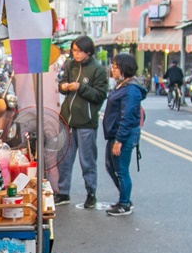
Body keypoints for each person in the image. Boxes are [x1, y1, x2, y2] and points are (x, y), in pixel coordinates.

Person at [55, 35, 109, 208]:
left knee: (87, 160)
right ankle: (63, 193)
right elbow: (62, 83)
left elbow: (100, 95)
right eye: (74, 51)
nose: (75, 54)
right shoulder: (70, 65)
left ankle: (91, 193)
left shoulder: (97, 69)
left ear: (88, 51)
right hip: (67, 120)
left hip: (86, 121)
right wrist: (63, 86)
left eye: (78, 51)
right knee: (63, 159)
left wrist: (81, 87)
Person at [101, 52, 147, 217]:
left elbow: (127, 117)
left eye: (115, 67)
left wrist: (119, 140)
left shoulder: (131, 90)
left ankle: (125, 203)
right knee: (110, 166)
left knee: (121, 170)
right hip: (115, 133)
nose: (113, 70)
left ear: (124, 69)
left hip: (123, 135)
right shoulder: (121, 85)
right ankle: (124, 198)